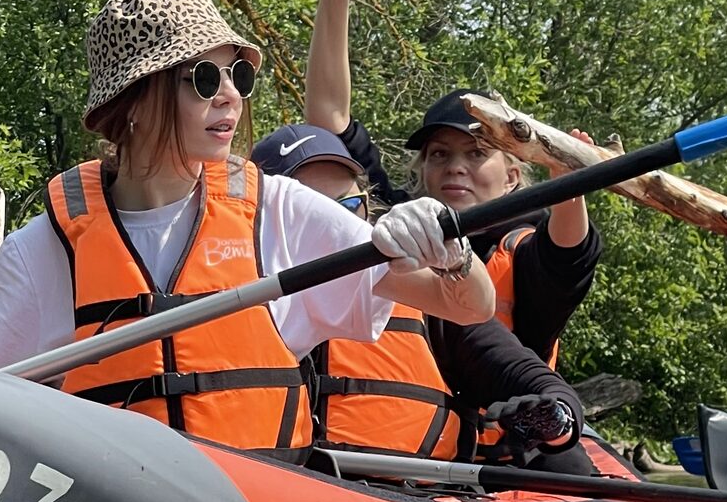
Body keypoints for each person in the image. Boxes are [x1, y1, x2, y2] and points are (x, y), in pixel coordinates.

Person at [0, 0, 497, 456]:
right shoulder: (45, 249)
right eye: (205, 80)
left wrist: (452, 254)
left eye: (237, 76)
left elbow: (469, 305)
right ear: (136, 101)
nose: (231, 96)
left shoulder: (279, 212)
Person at [300, 0, 601, 366]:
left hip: (492, 430)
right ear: (422, 172)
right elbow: (329, 121)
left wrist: (567, 187)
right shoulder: (396, 221)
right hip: (378, 430)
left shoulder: (527, 250)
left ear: (514, 176)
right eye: (440, 154)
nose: (455, 166)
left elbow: (569, 250)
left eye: (477, 153)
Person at [248, 121, 589, 467]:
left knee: (568, 464)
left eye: (348, 206)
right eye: (312, 213)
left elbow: (522, 371)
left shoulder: (426, 296)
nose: (334, 227)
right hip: (286, 489)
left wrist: (553, 412)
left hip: (414, 498)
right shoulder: (232, 305)